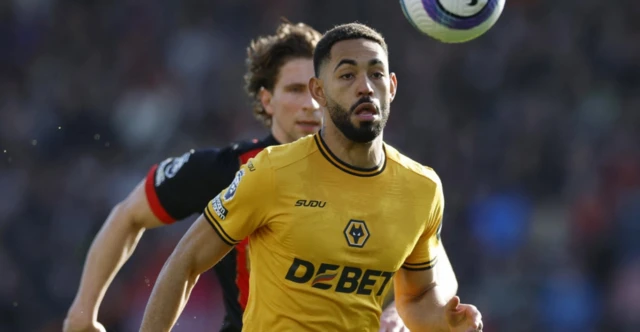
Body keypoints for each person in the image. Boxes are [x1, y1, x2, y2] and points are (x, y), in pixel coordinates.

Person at [139, 23, 483, 332]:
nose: (365, 87)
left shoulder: (422, 188)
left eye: (376, 74)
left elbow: (418, 295)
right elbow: (185, 264)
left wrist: (445, 323)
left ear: (391, 87)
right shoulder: (272, 171)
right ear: (318, 91)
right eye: (347, 76)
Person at [64, 21, 324, 332]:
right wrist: (83, 312)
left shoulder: (373, 174)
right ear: (267, 100)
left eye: (317, 90)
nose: (310, 104)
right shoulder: (226, 170)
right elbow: (128, 216)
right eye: (295, 90)